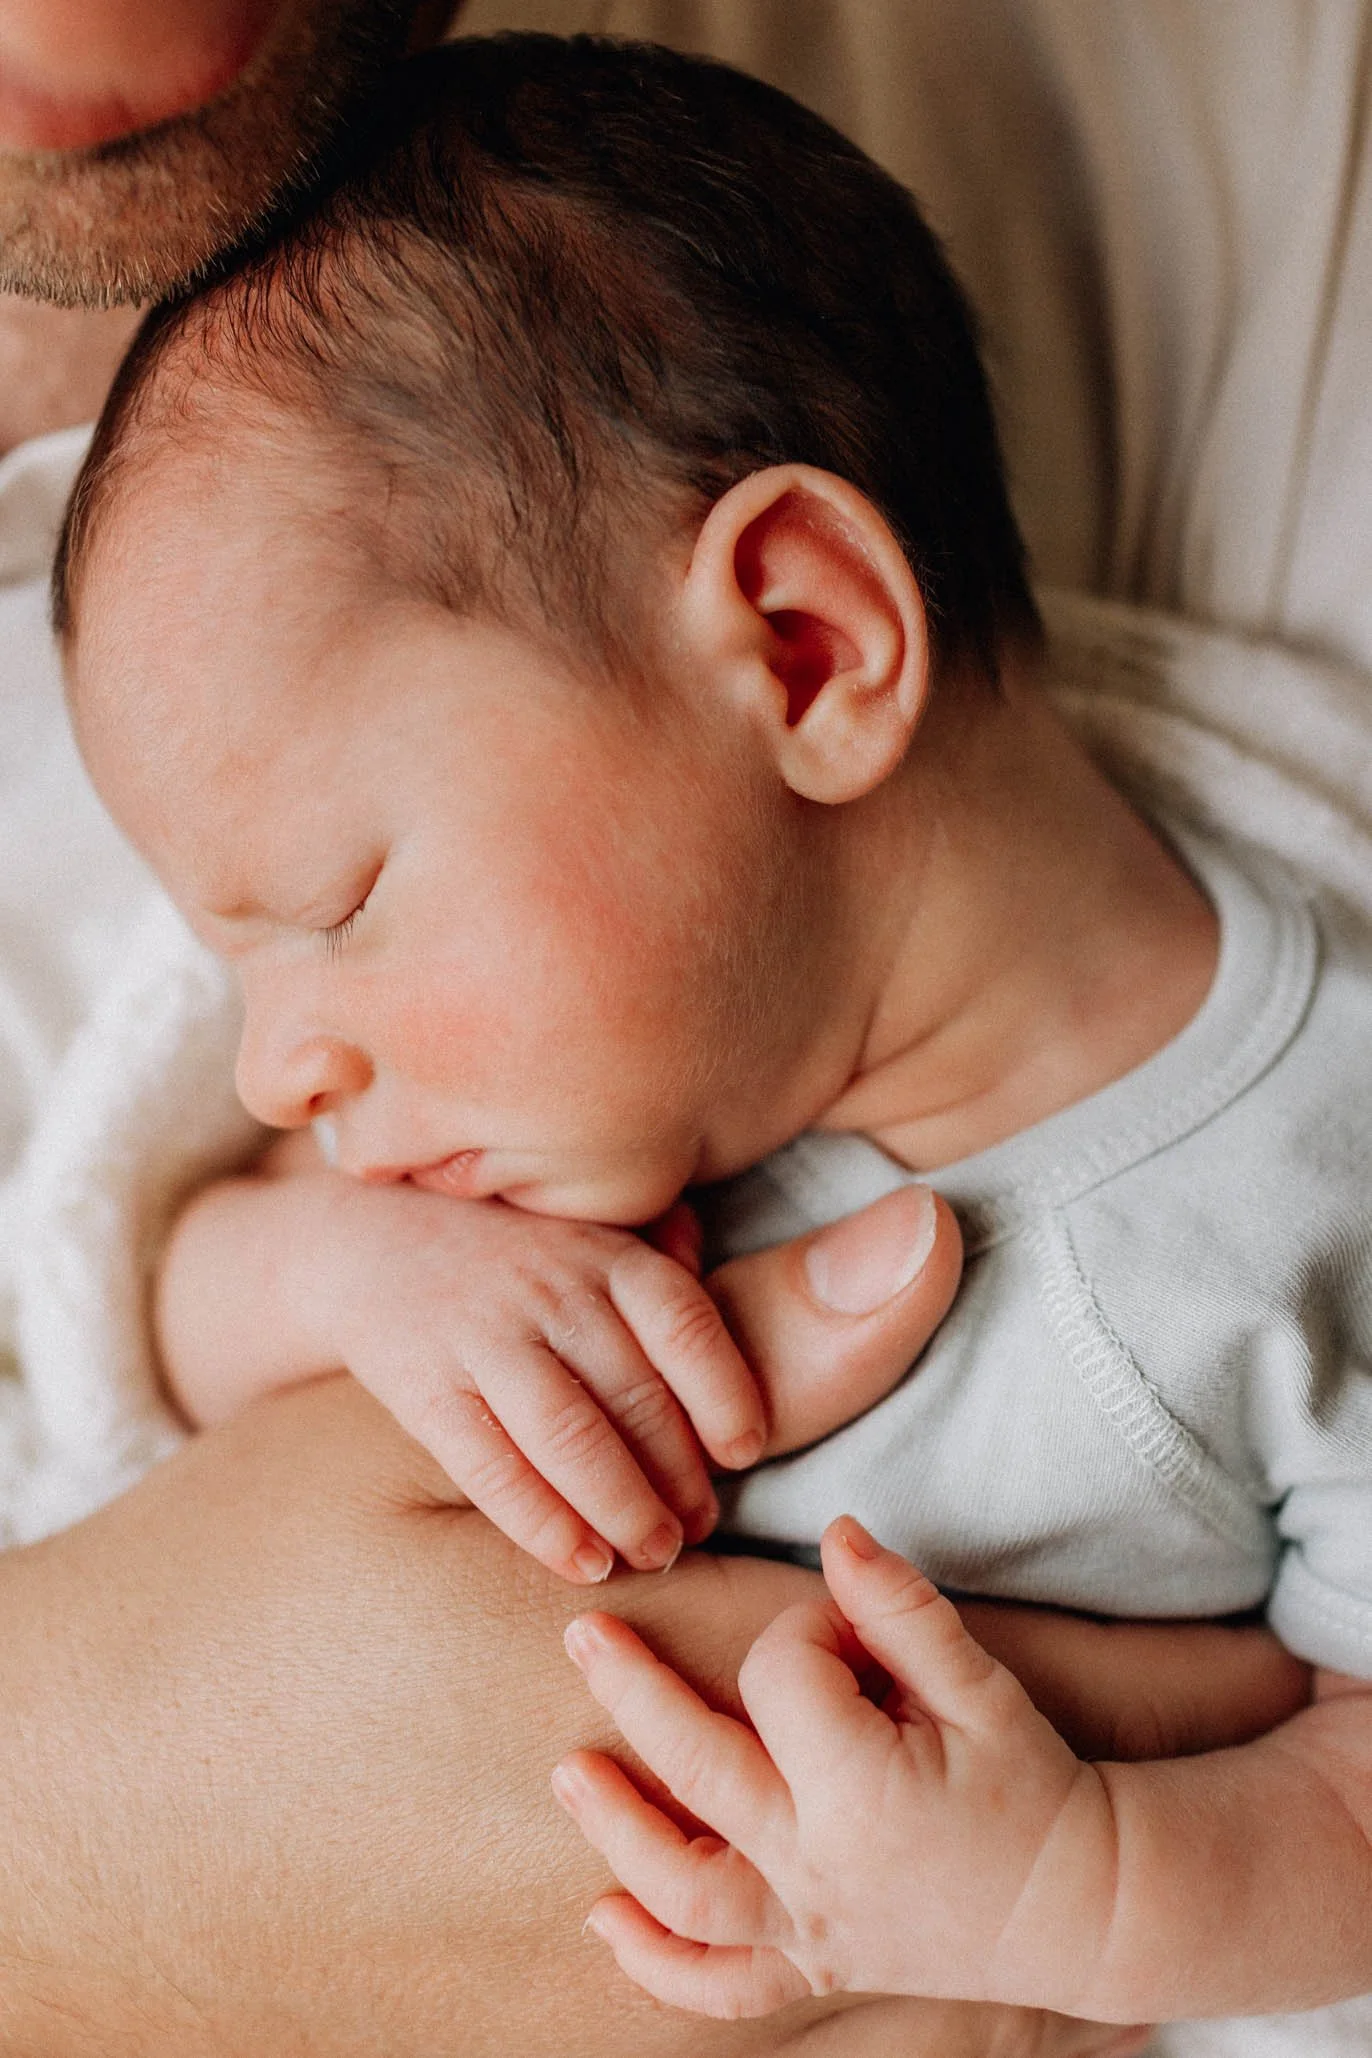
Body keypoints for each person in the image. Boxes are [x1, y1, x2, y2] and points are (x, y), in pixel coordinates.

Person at [51, 30, 1372, 2047]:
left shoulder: (1306, 1185)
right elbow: (162, 1326)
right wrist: (335, 1268)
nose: (271, 1075)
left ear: (800, 646)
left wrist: (1059, 1890)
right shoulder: (542, 1126)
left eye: (331, 915)